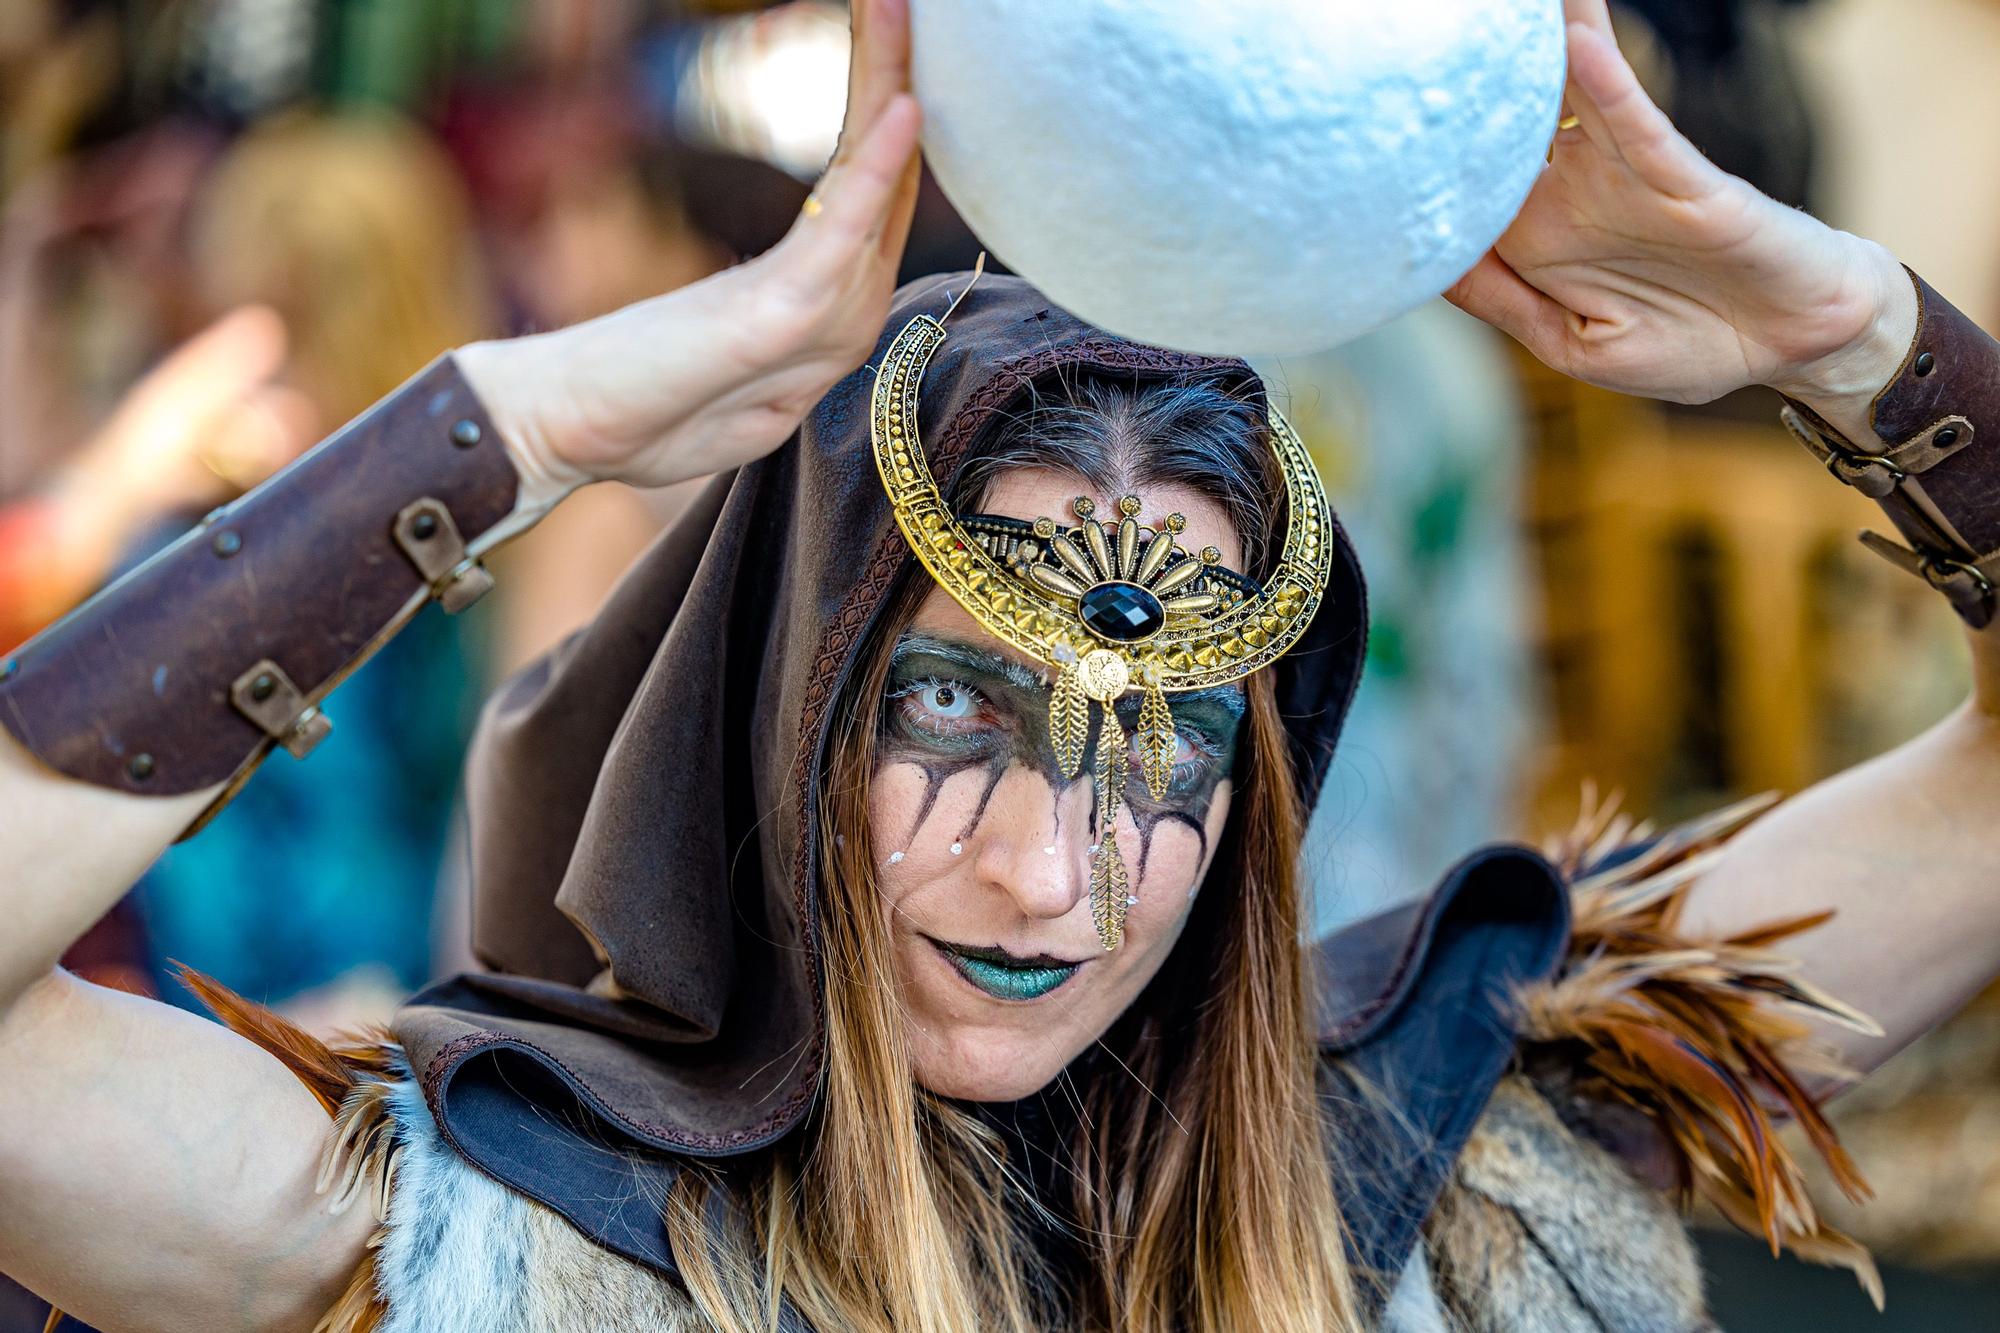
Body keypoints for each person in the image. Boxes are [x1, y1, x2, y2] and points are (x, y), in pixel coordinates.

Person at [4, 1, 2000, 1329]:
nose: (1053, 877)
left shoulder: (1444, 1165)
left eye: (1170, 731)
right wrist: (514, 428)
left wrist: (1843, 329)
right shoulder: (503, 1238)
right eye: (955, 704)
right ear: (786, 707)